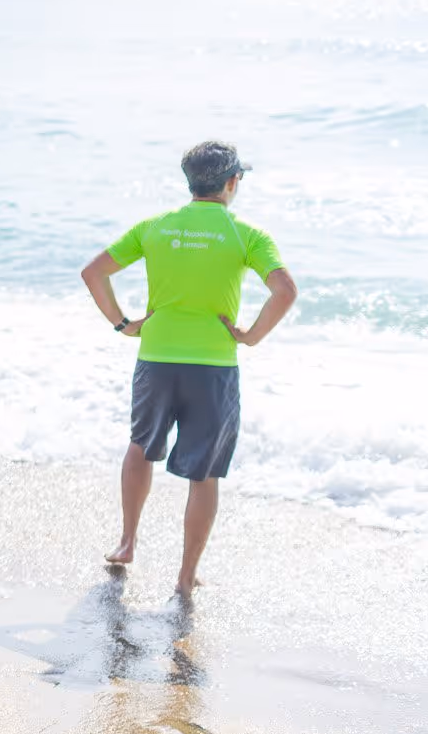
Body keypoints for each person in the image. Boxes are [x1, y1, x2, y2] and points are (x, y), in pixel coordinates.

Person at [80, 141, 297, 595]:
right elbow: (284, 291)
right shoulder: (247, 235)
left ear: (190, 182)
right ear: (232, 182)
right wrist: (251, 336)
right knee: (205, 472)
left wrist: (123, 324)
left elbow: (93, 273)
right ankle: (184, 576)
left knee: (141, 447)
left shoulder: (155, 227)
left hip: (156, 359)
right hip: (213, 367)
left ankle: (126, 543)